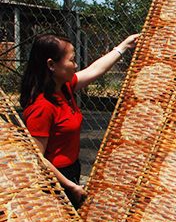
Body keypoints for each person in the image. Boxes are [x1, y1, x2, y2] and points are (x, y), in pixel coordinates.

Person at [20, 33, 139, 209]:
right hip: (56, 182)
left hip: (72, 170)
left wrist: (123, 46)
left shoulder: (64, 88)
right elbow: (37, 158)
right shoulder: (42, 107)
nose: (76, 65)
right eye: (71, 60)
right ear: (51, 65)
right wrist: (70, 186)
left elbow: (95, 70)